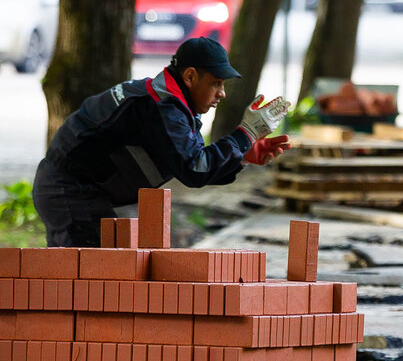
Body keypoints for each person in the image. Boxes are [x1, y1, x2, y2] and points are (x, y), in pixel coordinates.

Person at [34, 36, 291, 247]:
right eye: (216, 83)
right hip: (66, 190)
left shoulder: (171, 104)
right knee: (84, 281)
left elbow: (192, 162)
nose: (222, 93)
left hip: (80, 189)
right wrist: (246, 133)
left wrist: (243, 156)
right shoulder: (161, 107)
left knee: (101, 277)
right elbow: (195, 170)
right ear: (190, 76)